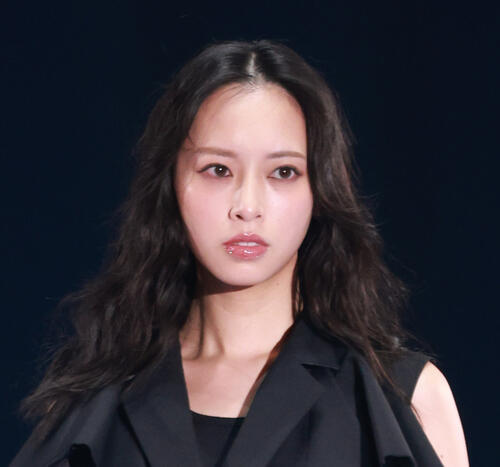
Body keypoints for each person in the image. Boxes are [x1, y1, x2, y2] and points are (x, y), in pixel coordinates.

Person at [11, 39, 469, 467]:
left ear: (321, 190)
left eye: (283, 172)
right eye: (217, 169)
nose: (247, 206)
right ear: (170, 184)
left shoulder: (403, 399)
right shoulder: (91, 403)